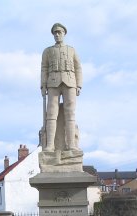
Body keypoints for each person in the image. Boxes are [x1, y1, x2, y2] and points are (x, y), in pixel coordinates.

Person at [41, 23, 83, 152]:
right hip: (53, 82)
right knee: (51, 114)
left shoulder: (71, 50)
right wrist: (43, 85)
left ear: (64, 33)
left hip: (70, 82)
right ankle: (50, 145)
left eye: (59, 32)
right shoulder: (48, 51)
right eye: (55, 33)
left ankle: (71, 145)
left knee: (70, 113)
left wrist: (79, 85)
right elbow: (44, 68)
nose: (57, 35)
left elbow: (78, 68)